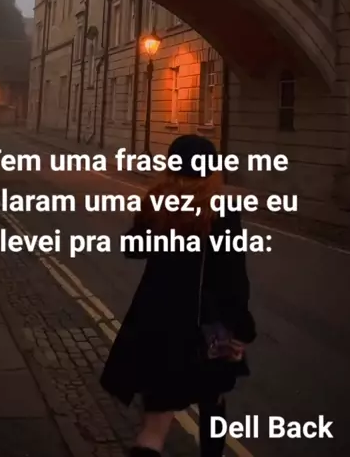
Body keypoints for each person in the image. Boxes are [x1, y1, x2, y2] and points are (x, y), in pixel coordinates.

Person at [100, 134, 256, 457]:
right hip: (206, 328)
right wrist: (241, 330)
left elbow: (133, 248)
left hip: (157, 324)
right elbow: (233, 277)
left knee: (154, 426)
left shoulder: (158, 203)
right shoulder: (221, 212)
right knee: (213, 399)